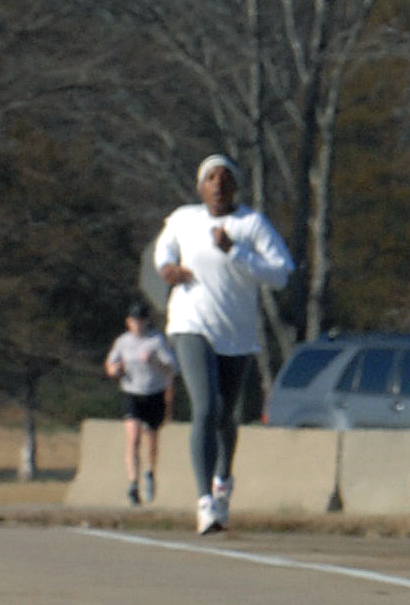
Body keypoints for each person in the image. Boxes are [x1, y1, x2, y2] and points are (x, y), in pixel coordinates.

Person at [149, 155, 297, 535]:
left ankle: (222, 481)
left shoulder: (250, 224)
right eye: (210, 178)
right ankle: (205, 503)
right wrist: (167, 268)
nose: (218, 184)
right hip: (190, 323)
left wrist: (236, 251)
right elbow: (163, 251)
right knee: (206, 407)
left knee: (226, 415)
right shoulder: (184, 218)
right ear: (200, 187)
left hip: (236, 333)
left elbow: (280, 274)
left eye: (225, 178)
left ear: (235, 186)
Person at [102, 302, 176, 506]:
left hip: (153, 393)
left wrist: (154, 362)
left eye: (141, 320)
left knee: (151, 441)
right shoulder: (122, 342)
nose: (138, 324)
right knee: (133, 438)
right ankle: (133, 484)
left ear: (147, 321)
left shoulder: (156, 341)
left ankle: (149, 474)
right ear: (128, 322)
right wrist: (114, 370)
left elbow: (172, 368)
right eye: (134, 320)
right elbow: (110, 364)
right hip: (131, 393)